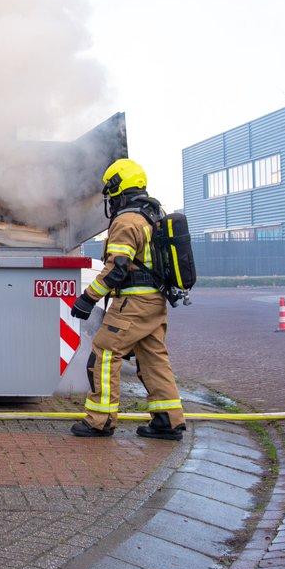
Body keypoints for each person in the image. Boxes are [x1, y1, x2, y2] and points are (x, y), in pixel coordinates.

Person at [69, 158, 186, 441]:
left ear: (120, 186)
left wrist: (88, 298)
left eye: (111, 190)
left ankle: (100, 420)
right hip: (154, 303)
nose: (109, 197)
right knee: (154, 360)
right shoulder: (152, 215)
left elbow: (117, 267)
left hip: (132, 304)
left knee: (104, 354)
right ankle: (168, 421)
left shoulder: (126, 221)